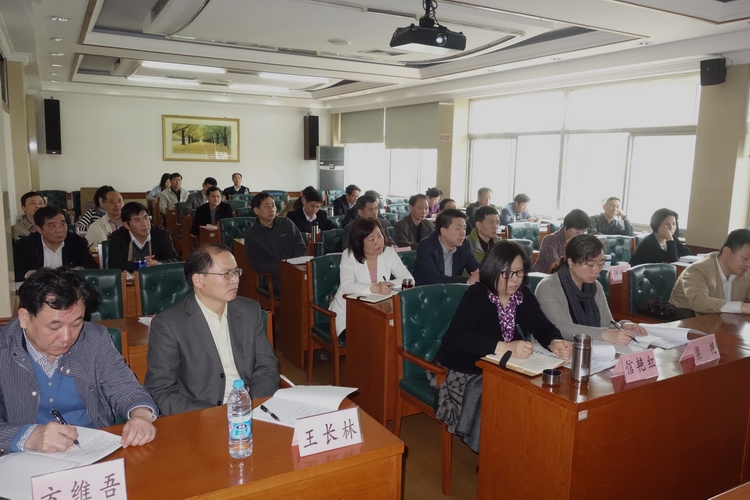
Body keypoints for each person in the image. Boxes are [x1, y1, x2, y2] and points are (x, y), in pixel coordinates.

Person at [0, 267, 157, 453]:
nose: (67, 337)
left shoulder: (94, 338)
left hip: (93, 450)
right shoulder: (3, 347)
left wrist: (141, 415)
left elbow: (123, 385)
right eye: (54, 327)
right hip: (25, 457)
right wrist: (28, 436)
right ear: (25, 318)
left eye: (76, 324)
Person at [431, 241, 571, 436]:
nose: (513, 280)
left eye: (519, 272)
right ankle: (497, 451)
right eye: (506, 273)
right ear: (492, 270)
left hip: (503, 367)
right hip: (462, 369)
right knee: (501, 407)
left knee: (537, 398)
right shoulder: (477, 295)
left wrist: (554, 341)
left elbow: (542, 326)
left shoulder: (523, 295)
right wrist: (504, 347)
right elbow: (457, 337)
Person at [145, 244, 279, 416]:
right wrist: (215, 415)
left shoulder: (249, 311)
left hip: (251, 408)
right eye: (226, 274)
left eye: (236, 272)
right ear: (199, 280)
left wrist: (251, 406)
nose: (235, 280)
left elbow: (266, 367)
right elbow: (160, 391)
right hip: (201, 417)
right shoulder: (169, 325)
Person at [536, 234, 647, 345]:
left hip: (591, 348)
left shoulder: (596, 286)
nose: (596, 270)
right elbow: (561, 328)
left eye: (600, 264)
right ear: (571, 262)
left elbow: (607, 324)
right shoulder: (548, 287)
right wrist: (604, 333)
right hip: (557, 350)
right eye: (590, 264)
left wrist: (623, 325)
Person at [329, 218, 413, 339]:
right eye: (371, 239)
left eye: (379, 236)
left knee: (396, 335)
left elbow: (409, 280)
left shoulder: (389, 253)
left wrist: (386, 285)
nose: (378, 242)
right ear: (360, 242)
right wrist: (374, 288)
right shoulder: (349, 255)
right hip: (350, 314)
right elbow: (346, 286)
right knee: (374, 337)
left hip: (379, 310)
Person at [669, 229, 750, 315]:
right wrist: (742, 307)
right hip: (687, 320)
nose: (748, 264)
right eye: (745, 258)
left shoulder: (745, 273)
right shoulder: (697, 270)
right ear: (727, 252)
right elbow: (699, 302)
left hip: (722, 322)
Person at [244, 192, 307, 292]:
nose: (272, 209)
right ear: (256, 210)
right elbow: (257, 264)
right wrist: (283, 268)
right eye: (267, 206)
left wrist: (294, 264)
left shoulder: (286, 223)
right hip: (275, 278)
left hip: (296, 271)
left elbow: (301, 246)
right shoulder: (252, 235)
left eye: (273, 205)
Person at [14, 207, 97, 281]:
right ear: (39, 229)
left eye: (63, 224)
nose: (60, 230)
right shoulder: (24, 245)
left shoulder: (76, 241)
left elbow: (92, 266)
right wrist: (30, 274)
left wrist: (78, 270)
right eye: (53, 226)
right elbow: (15, 271)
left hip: (69, 288)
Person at [413, 208, 481, 286]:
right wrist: (467, 281)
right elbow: (433, 278)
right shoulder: (426, 245)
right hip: (428, 291)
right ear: (443, 231)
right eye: (458, 229)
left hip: (454, 292)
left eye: (464, 228)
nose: (463, 233)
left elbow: (476, 268)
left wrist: (480, 275)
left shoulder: (465, 244)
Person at [109, 202, 178, 272]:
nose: (145, 223)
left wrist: (157, 264)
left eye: (146, 218)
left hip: (156, 277)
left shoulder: (162, 235)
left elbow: (174, 261)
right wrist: (141, 264)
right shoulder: (117, 237)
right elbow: (114, 265)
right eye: (137, 220)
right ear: (126, 225)